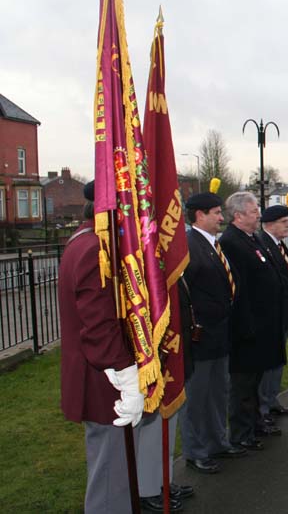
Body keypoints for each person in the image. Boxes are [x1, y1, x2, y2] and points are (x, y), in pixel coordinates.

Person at [59, 181, 145, 513]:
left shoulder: (84, 240)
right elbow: (99, 324)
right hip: (106, 381)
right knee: (112, 480)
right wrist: (127, 376)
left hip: (101, 376)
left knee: (118, 475)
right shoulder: (97, 249)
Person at [179, 190, 247, 475]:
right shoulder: (188, 245)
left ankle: (218, 441)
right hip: (201, 336)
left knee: (219, 391)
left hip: (221, 333)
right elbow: (185, 294)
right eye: (217, 213)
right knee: (197, 397)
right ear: (200, 215)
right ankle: (196, 451)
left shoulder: (213, 245)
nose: (222, 217)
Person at [220, 192, 286, 450]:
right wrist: (247, 325)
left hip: (264, 324)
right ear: (238, 216)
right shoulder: (231, 243)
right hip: (247, 329)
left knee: (256, 381)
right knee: (243, 385)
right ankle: (241, 433)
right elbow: (240, 290)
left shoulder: (251, 239)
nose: (259, 214)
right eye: (254, 210)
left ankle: (256, 423)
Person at [256, 205, 288, 431]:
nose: (287, 225)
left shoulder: (279, 245)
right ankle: (263, 406)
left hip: (282, 313)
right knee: (268, 363)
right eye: (283, 222)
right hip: (269, 315)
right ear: (269, 224)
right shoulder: (263, 244)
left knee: (279, 360)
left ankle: (272, 400)